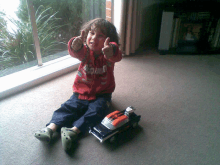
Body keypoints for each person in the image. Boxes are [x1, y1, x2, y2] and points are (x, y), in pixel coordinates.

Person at [34, 18, 122, 151]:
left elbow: (117, 55)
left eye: (100, 35)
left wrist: (111, 50)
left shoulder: (108, 54)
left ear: (108, 40)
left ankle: (73, 131)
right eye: (91, 33)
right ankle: (50, 128)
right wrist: (75, 45)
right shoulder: (85, 52)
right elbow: (76, 51)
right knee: (67, 108)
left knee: (96, 112)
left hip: (102, 95)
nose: (93, 38)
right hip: (80, 92)